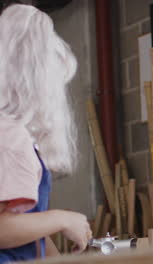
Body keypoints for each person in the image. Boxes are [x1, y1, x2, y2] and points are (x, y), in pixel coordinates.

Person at [0, 3, 91, 262]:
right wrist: (62, 219)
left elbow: (24, 226)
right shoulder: (10, 138)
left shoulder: (14, 135)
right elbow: (2, 229)